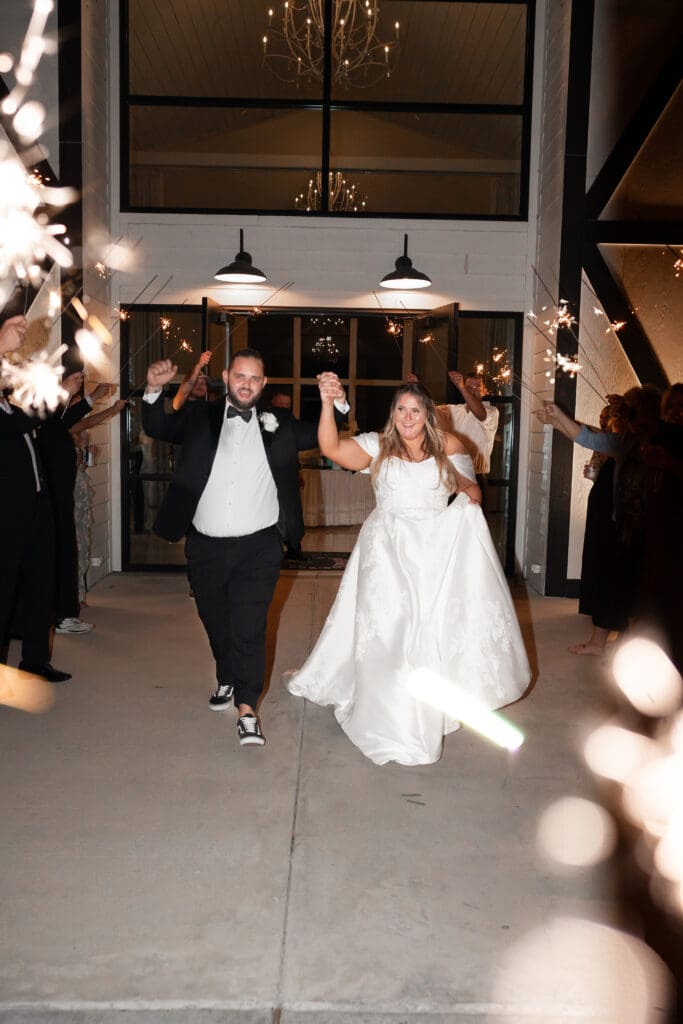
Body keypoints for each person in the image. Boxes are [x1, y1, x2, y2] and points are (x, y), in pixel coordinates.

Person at [287, 375, 530, 766]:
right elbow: (330, 447)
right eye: (401, 409)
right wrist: (327, 403)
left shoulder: (448, 446)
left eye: (415, 410)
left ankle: (422, 704)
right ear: (393, 414)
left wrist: (468, 501)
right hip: (385, 551)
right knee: (392, 627)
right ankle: (390, 713)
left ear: (428, 414)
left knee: (424, 629)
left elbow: (471, 489)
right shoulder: (378, 446)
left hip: (432, 551)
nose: (407, 416)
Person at [141, 347, 349, 747]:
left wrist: (336, 400)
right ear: (226, 376)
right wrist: (152, 389)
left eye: (255, 378)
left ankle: (247, 708)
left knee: (250, 627)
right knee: (216, 622)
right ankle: (226, 676)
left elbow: (327, 433)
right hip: (205, 544)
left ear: (264, 383)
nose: (247, 384)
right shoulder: (200, 416)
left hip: (259, 546)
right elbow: (158, 427)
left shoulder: (280, 423)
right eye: (240, 376)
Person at [0, 316, 70, 682]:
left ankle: (35, 661)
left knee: (41, 585)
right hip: (6, 517)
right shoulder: (9, 416)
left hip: (37, 509)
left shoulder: (9, 406)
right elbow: (19, 425)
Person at [37, 354, 113, 635]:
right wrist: (89, 397)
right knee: (62, 553)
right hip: (53, 497)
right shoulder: (46, 410)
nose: (79, 381)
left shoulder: (57, 413)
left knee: (68, 551)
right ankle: (62, 616)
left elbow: (65, 420)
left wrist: (91, 398)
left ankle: (65, 614)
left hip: (63, 495)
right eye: (75, 376)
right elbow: (59, 422)